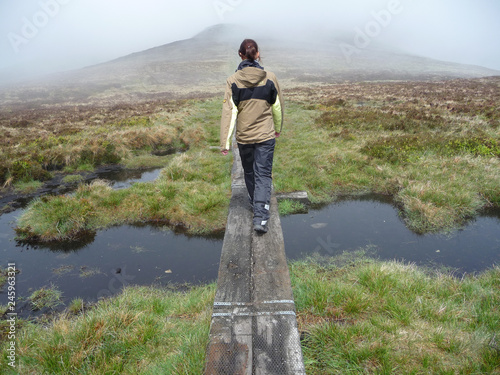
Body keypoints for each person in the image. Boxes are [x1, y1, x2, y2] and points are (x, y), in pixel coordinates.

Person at [220, 39, 284, 234]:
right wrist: (278, 127)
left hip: (245, 138)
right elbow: (277, 106)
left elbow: (229, 113)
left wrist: (225, 142)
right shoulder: (270, 78)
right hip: (265, 135)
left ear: (240, 55)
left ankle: (255, 203)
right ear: (257, 54)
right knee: (263, 174)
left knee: (249, 172)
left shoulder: (233, 81)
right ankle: (261, 216)